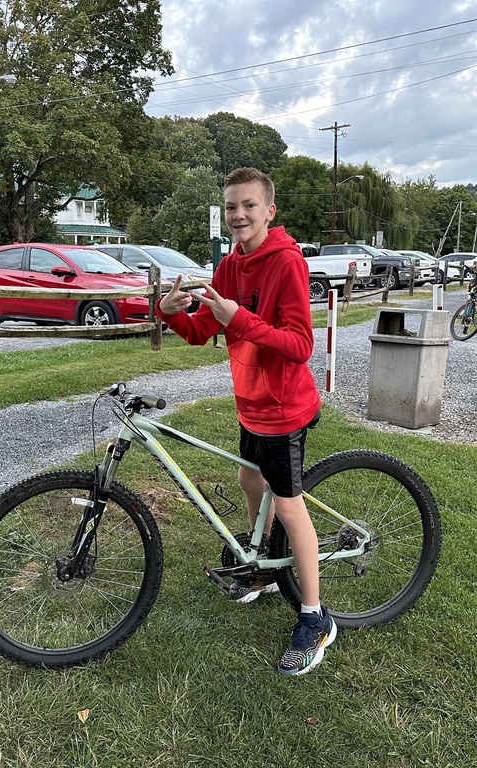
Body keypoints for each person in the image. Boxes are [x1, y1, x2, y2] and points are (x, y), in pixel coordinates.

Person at [156, 167, 336, 676]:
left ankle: (313, 616)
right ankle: (258, 569)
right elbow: (200, 331)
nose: (239, 215)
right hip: (250, 403)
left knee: (290, 506)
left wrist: (240, 318)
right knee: (246, 477)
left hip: (284, 409)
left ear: (269, 211)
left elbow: (300, 345)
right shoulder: (228, 267)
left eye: (249, 206)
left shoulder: (287, 261)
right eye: (232, 206)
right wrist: (169, 312)